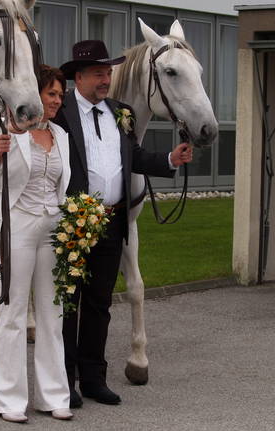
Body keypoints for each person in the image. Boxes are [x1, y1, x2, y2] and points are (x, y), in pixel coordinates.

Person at [52, 40, 193, 408]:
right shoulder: (59, 113)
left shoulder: (122, 113)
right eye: (99, 73)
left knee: (100, 302)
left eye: (109, 72)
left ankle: (94, 377)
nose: (106, 79)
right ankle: (65, 381)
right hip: (75, 221)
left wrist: (170, 160)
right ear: (78, 77)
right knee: (70, 304)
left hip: (113, 222)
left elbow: (136, 157)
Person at [0, 65, 72, 423]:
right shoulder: (2, 130)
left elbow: (64, 184)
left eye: (60, 96)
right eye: (51, 94)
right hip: (15, 224)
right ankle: (8, 398)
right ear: (36, 93)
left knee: (52, 312)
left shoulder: (60, 134)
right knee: (13, 310)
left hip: (53, 227)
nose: (57, 101)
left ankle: (53, 395)